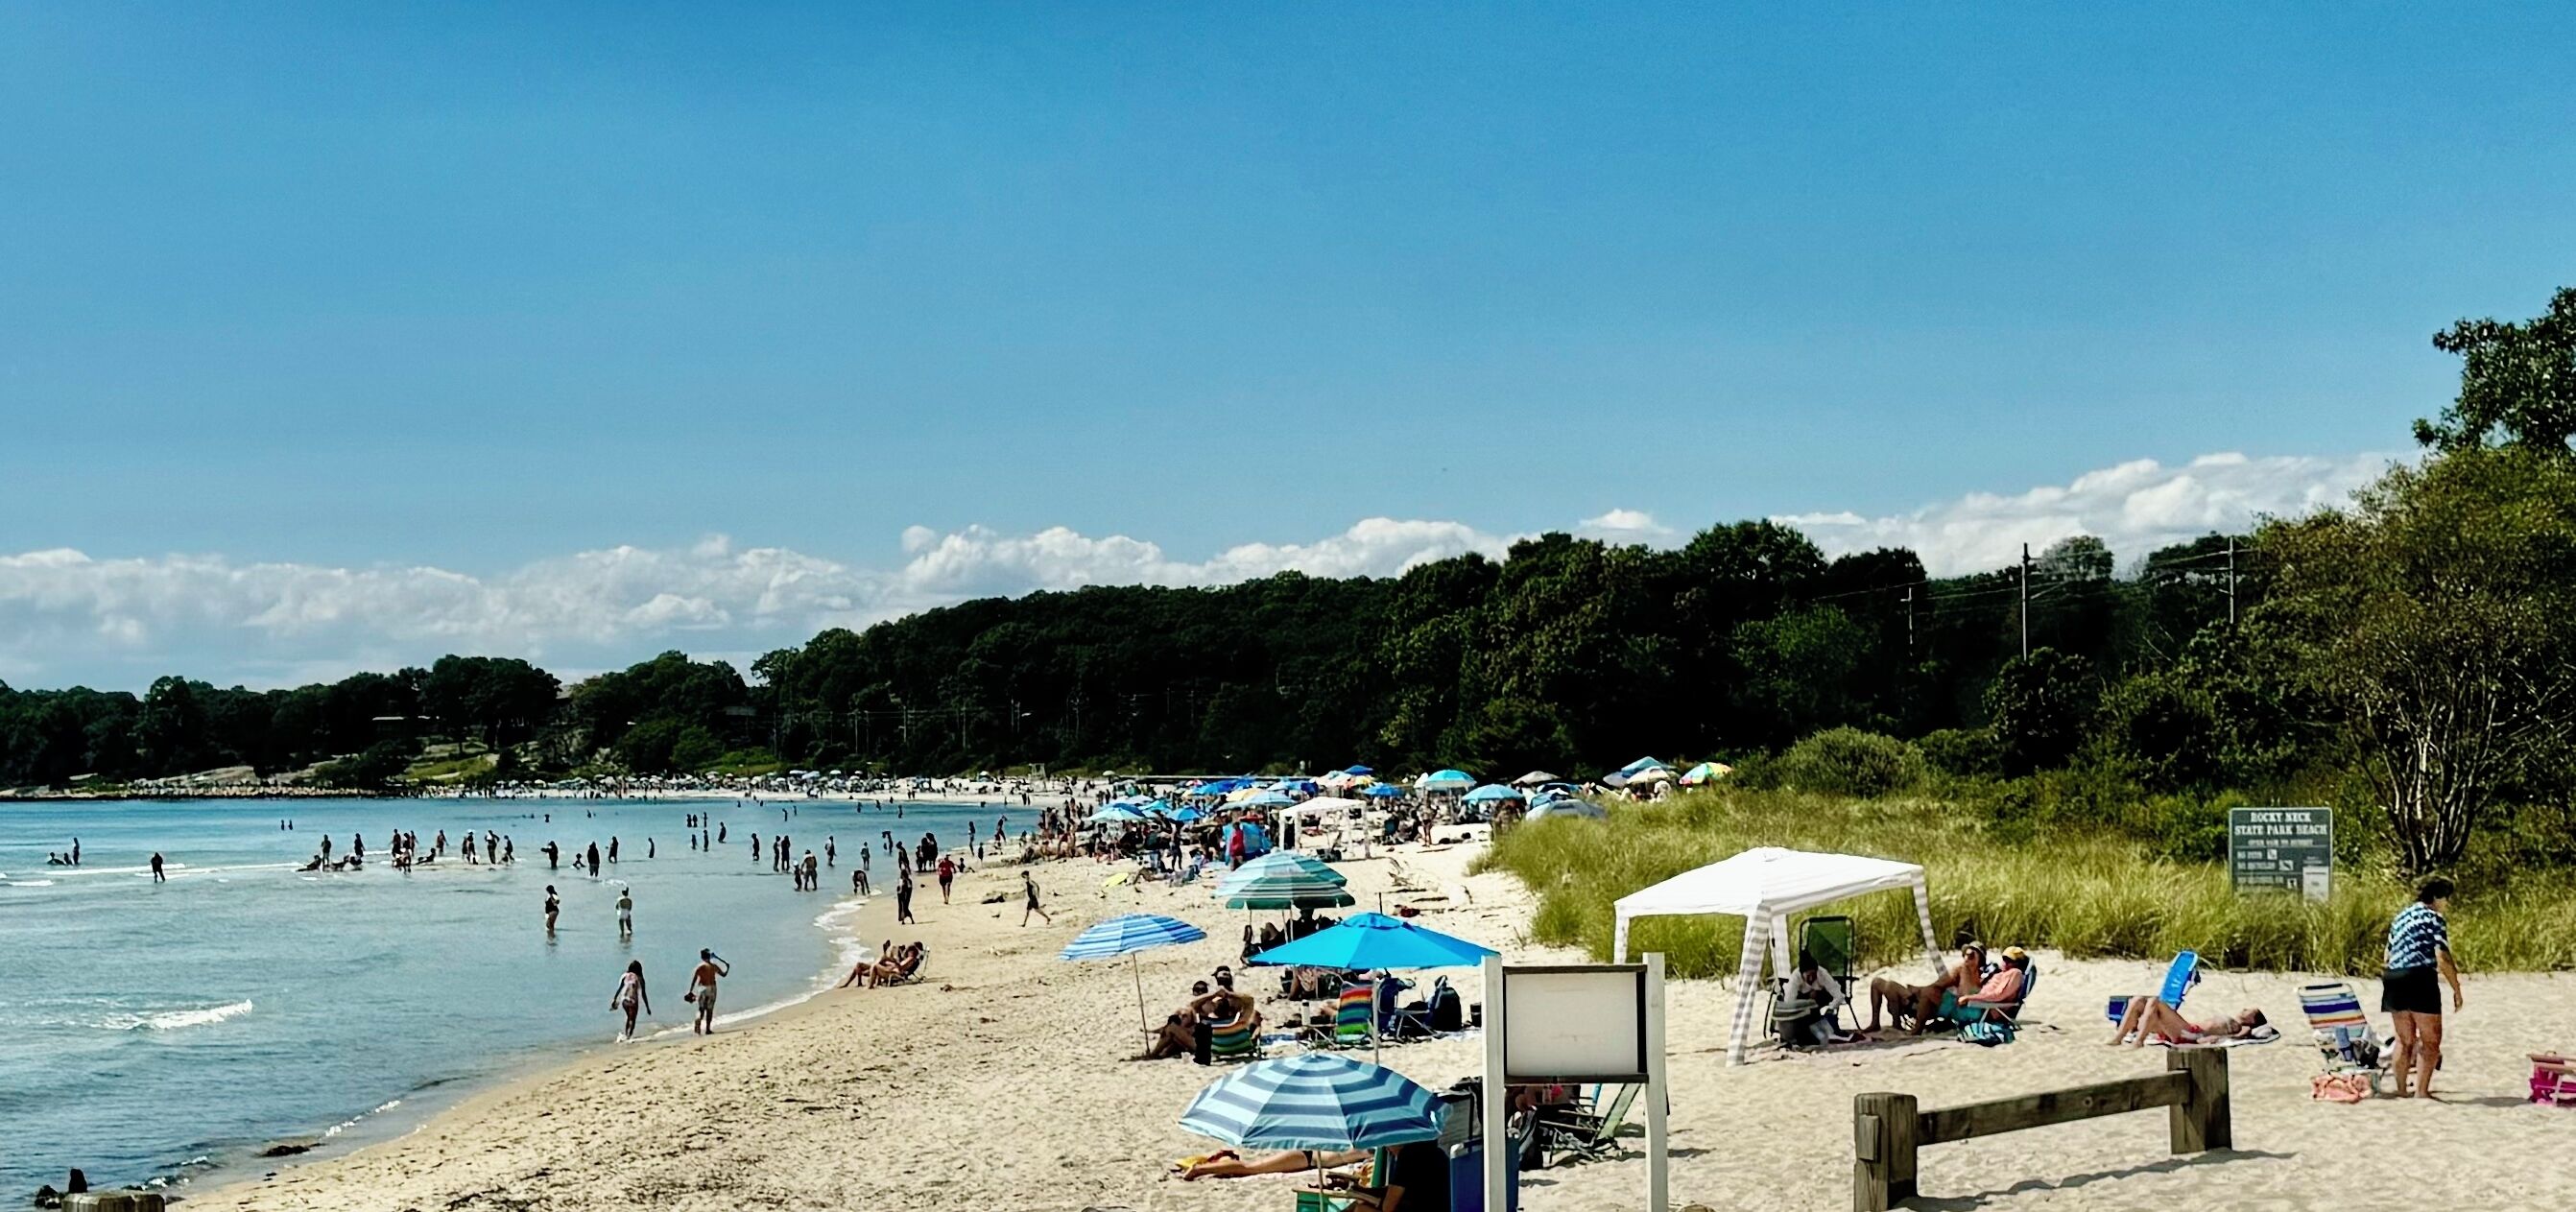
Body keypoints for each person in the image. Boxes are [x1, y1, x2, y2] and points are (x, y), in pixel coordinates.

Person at [2385, 875, 2466, 1098]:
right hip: (2420, 978)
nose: (2447, 904)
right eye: (2446, 899)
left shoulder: (2400, 917)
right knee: (2430, 1040)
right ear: (2438, 897)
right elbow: (2442, 957)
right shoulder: (2434, 918)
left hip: (2394, 978)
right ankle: (2421, 1092)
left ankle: (2401, 1090)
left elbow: (2387, 954)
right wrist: (2456, 989)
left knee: (2404, 1039)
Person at [1867, 943, 1987, 1034]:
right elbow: (1939, 984)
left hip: (1946, 1006)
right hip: (1932, 1000)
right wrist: (1919, 990)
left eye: (1971, 956)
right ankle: (1878, 1022)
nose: (1966, 958)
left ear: (1980, 958)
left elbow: (1968, 994)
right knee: (1877, 982)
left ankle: (1903, 1024)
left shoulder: (1984, 976)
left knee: (1892, 987)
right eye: (1965, 955)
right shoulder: (1960, 969)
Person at [2108, 998, 2266, 1047]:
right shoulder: (2232, 1020)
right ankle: (2118, 1037)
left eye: (2249, 1010)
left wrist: (2208, 1040)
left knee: (2155, 1001)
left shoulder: (2242, 1027)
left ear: (2253, 1019)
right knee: (2138, 1000)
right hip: (2185, 1029)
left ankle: (2139, 1041)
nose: (2244, 1009)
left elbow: (2241, 1037)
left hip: (2190, 1033)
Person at [1782, 949, 1852, 1045]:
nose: (1811, 978)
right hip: (1802, 1006)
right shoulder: (1795, 978)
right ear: (1802, 974)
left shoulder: (1822, 973)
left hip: (1819, 1000)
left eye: (1813, 975)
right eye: (1808, 976)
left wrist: (1831, 1008)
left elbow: (1839, 996)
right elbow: (1789, 1003)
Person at [687, 949, 730, 1034]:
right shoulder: (714, 966)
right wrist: (727, 968)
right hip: (712, 988)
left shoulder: (700, 967)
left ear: (702, 957)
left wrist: (690, 991)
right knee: (710, 1009)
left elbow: (694, 980)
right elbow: (723, 975)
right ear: (709, 956)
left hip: (702, 988)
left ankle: (698, 1023)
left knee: (701, 1009)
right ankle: (708, 1029)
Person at [609, 961, 652, 1042]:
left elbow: (620, 988)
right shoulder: (640, 978)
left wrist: (614, 999)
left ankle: (625, 1035)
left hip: (624, 1000)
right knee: (633, 1019)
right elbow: (643, 994)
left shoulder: (625, 976)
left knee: (629, 1017)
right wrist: (647, 1007)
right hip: (633, 1000)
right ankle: (629, 1036)